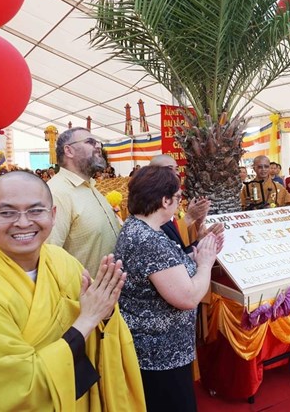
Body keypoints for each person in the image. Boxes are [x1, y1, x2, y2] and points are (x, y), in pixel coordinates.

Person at [0, 171, 146, 411]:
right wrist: (87, 319)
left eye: (35, 210)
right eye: (7, 212)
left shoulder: (61, 260)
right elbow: (15, 391)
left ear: (52, 215)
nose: (23, 222)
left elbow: (101, 325)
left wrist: (105, 313)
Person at [113, 166, 221, 411]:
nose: (179, 203)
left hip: (152, 349)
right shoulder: (150, 240)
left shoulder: (140, 228)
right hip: (160, 354)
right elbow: (189, 297)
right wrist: (205, 263)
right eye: (178, 197)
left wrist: (193, 259)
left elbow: (167, 274)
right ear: (165, 200)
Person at [47, 128, 121, 275]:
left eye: (98, 143)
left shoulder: (90, 185)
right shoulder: (57, 193)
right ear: (69, 151)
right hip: (83, 294)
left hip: (109, 293)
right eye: (90, 142)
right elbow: (49, 258)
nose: (98, 146)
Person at [149, 154, 223, 253]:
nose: (176, 174)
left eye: (177, 169)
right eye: (169, 169)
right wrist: (189, 217)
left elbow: (182, 247)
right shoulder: (150, 203)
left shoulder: (171, 199)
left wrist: (197, 222)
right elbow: (171, 245)